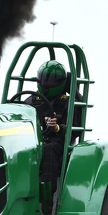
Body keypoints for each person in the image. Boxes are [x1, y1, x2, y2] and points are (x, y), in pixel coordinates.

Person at [25, 60, 82, 193]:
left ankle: (47, 194)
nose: (46, 84)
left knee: (48, 149)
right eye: (44, 80)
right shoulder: (30, 100)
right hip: (32, 140)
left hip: (58, 142)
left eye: (50, 81)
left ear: (60, 82)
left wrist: (57, 128)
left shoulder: (69, 103)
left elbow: (74, 130)